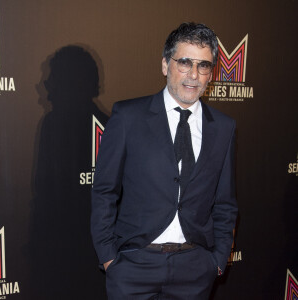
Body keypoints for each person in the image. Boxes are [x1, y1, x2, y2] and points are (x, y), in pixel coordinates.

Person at [91, 22, 238, 299]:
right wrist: (109, 257)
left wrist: (217, 260)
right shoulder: (128, 117)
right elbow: (104, 192)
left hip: (195, 268)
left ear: (211, 74)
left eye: (203, 65)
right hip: (133, 265)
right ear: (165, 65)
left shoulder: (223, 127)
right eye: (184, 62)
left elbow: (225, 203)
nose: (193, 74)